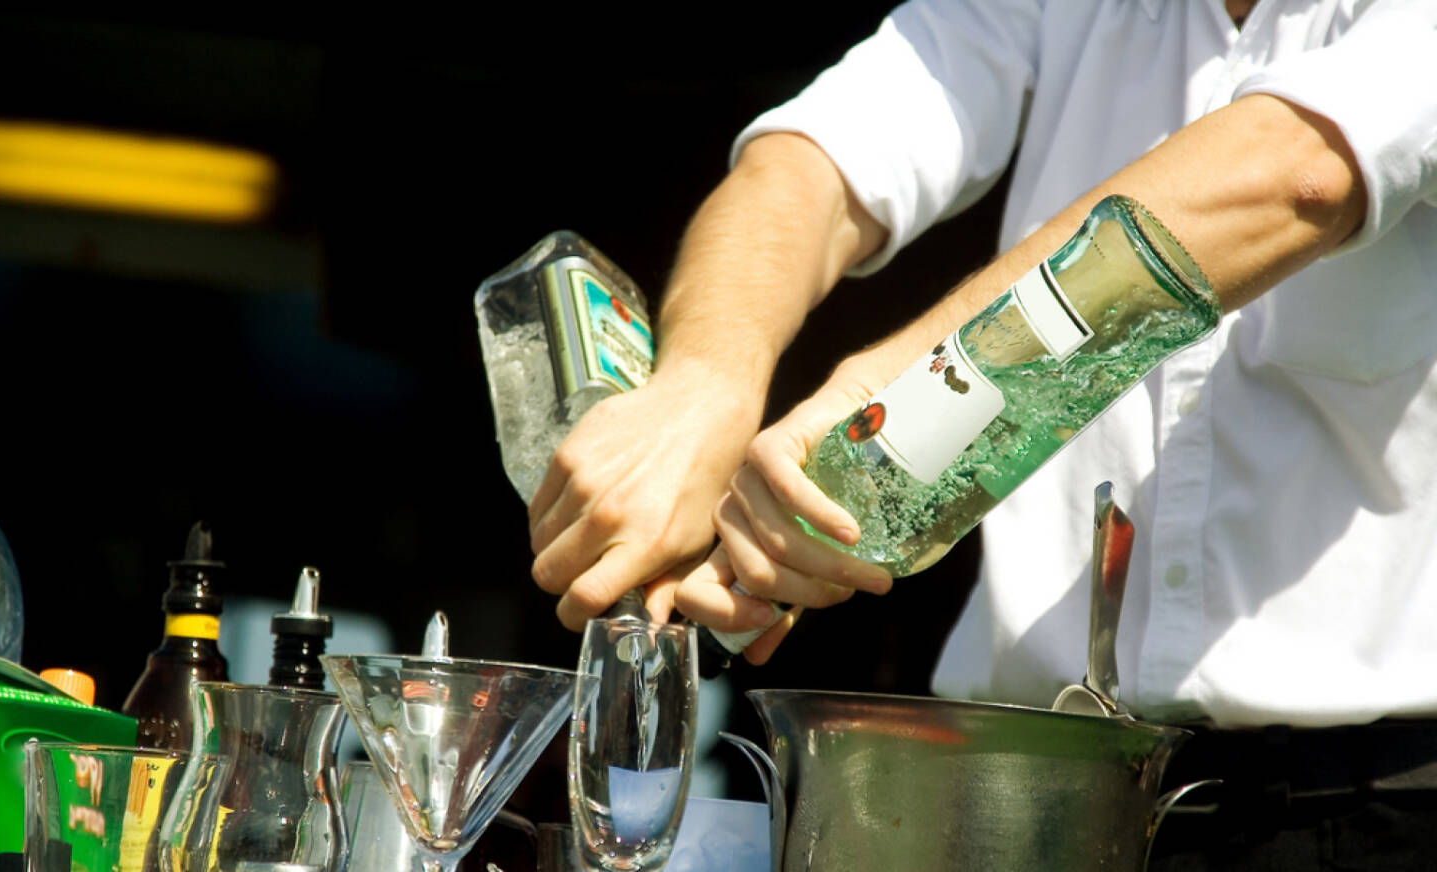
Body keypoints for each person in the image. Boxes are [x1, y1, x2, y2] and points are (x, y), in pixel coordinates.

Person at [527, 1, 1437, 867]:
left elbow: (1295, 168)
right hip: (1019, 794)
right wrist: (706, 382)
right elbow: (808, 163)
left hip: (1370, 809)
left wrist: (902, 390)